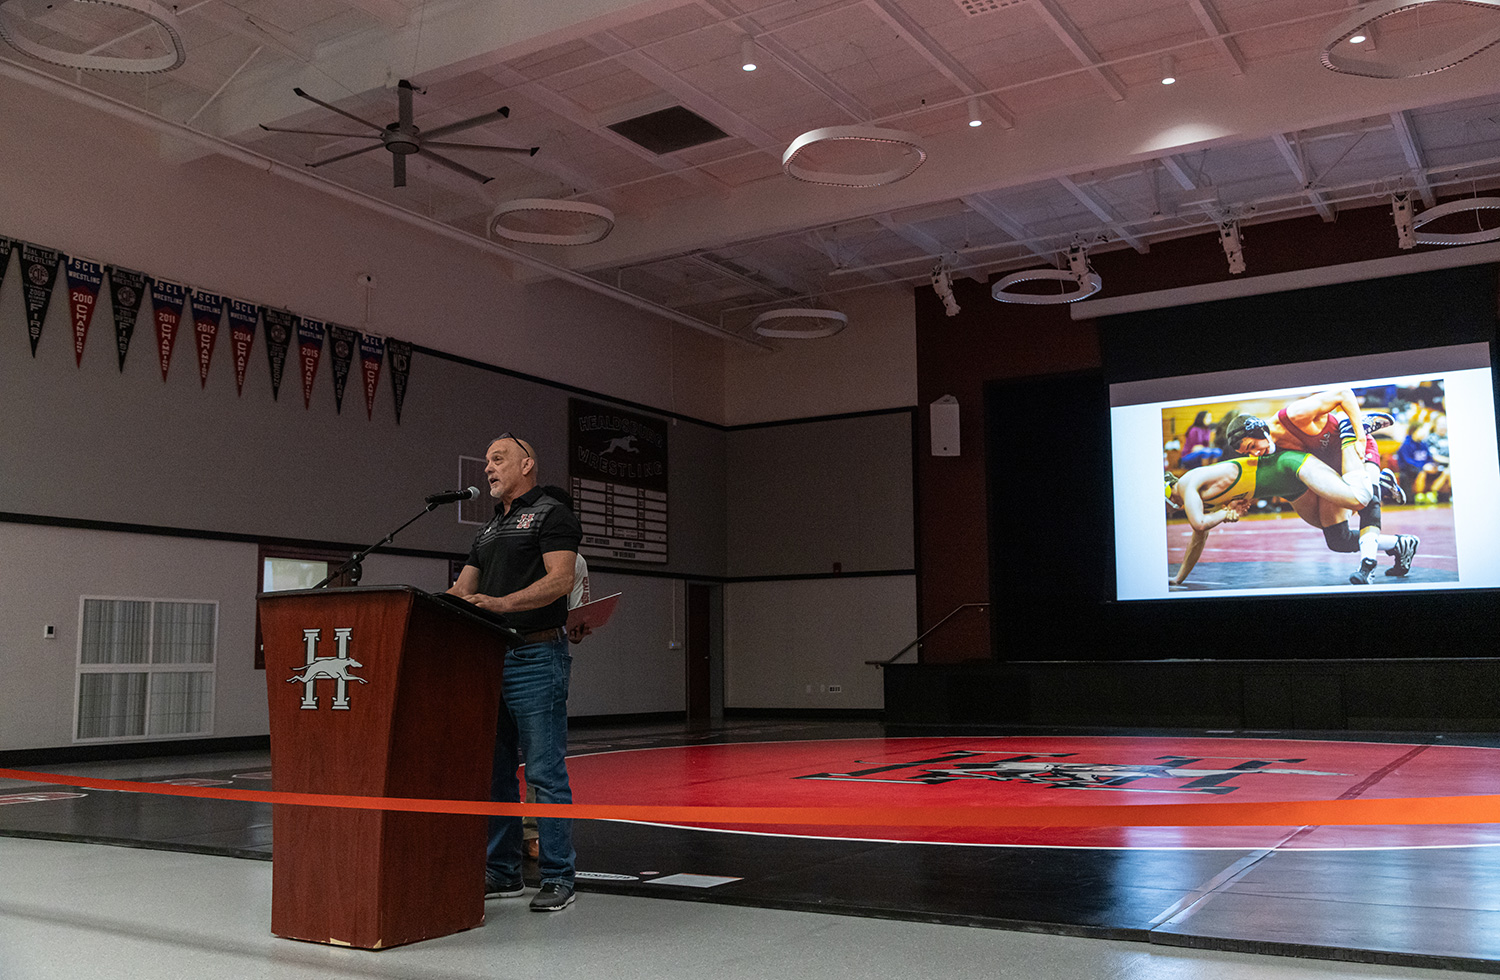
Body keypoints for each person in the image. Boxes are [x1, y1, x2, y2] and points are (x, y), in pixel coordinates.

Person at [448, 434, 582, 912]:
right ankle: (502, 872)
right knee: (495, 774)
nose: (488, 467)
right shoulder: (487, 531)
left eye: (498, 458)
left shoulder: (551, 513)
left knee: (544, 773)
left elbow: (560, 580)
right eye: (485, 460)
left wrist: (502, 605)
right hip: (490, 662)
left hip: (535, 658)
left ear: (528, 464)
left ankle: (558, 876)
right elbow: (462, 591)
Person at [1168, 416, 1414, 585]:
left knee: (1358, 498)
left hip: (1292, 465)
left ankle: (1373, 476)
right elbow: (1197, 539)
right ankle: (1400, 544)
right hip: (1292, 490)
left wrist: (1225, 514)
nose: (1173, 511)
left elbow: (1199, 524)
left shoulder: (1189, 482)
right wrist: (1179, 579)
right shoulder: (1198, 501)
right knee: (1338, 538)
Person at [1235, 391, 1412, 584]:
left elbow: (1344, 393)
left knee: (1366, 501)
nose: (1255, 454)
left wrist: (1360, 436)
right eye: (1248, 452)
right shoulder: (1270, 453)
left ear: (1261, 430)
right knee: (1337, 539)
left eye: (1252, 445)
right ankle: (1400, 542)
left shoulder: (1294, 415)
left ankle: (1367, 566)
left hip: (1352, 444)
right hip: (1332, 469)